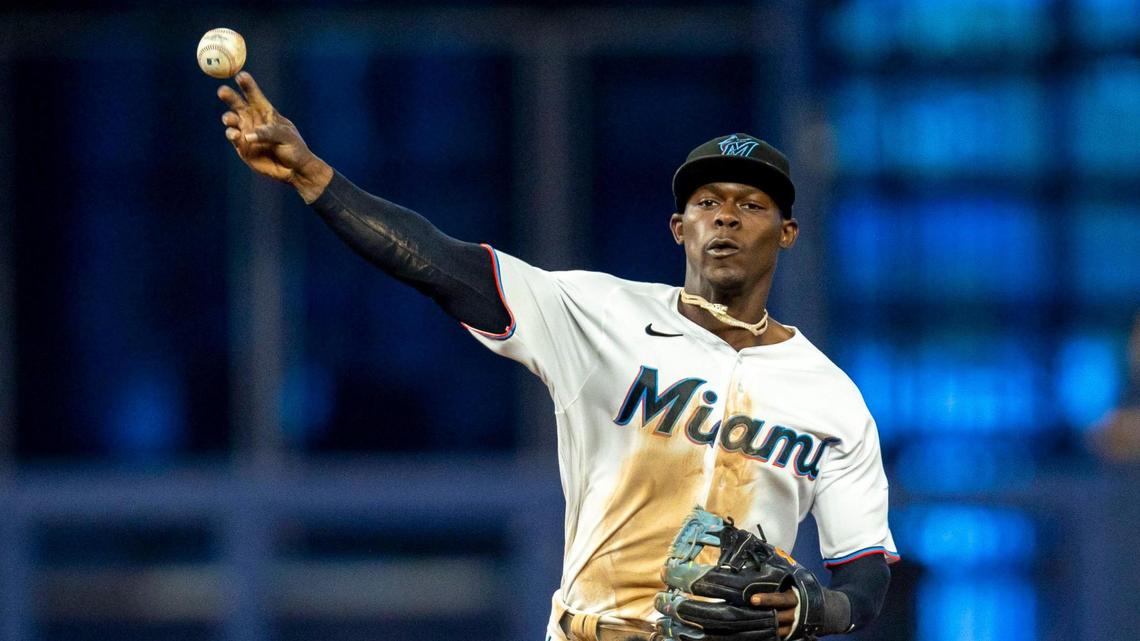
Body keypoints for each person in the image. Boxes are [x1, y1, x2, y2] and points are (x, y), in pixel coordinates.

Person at [217, 71, 898, 641]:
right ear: (677, 226)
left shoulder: (831, 397)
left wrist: (819, 607)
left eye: (751, 204)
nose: (725, 216)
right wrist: (315, 177)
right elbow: (444, 266)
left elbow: (864, 567)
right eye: (706, 201)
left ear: (787, 232)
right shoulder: (600, 312)